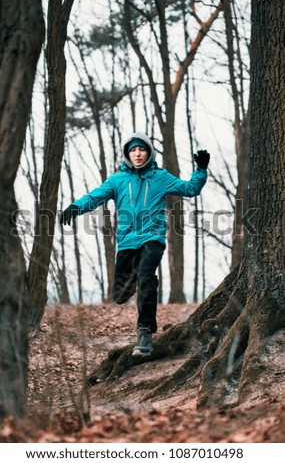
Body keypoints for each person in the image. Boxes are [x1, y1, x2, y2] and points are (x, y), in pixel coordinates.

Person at [60, 132, 209, 356]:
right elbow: (95, 196)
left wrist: (201, 170)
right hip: (127, 241)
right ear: (128, 154)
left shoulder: (161, 177)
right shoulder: (117, 180)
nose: (137, 154)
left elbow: (190, 189)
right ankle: (137, 288)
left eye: (141, 150)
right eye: (133, 150)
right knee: (120, 295)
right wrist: (75, 207)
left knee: (146, 277)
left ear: (148, 152)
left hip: (152, 238)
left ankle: (145, 332)